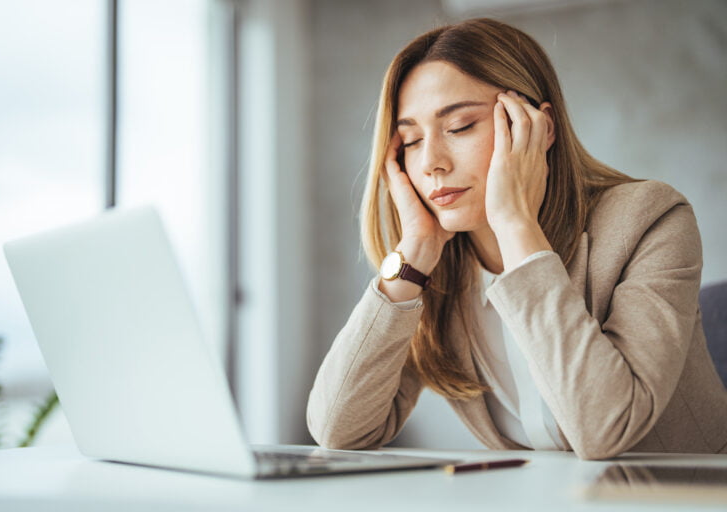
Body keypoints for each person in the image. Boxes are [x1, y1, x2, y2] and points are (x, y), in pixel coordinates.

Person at [306, 18, 727, 460]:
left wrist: (514, 225)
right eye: (410, 140)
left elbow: (607, 428)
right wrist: (412, 257)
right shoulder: (439, 269)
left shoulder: (651, 218)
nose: (431, 162)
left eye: (460, 126)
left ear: (539, 129)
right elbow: (338, 432)